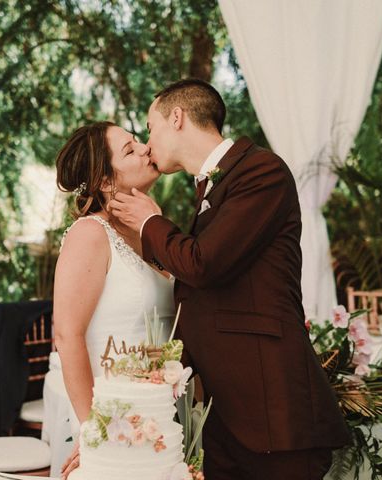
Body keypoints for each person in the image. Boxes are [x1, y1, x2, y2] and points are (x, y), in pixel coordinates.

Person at [109, 78, 351, 479]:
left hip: (275, 413)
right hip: (228, 414)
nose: (148, 144)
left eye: (150, 128)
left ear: (177, 116)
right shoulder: (211, 187)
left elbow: (204, 264)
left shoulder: (262, 171)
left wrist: (151, 221)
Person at [50, 121, 175, 479]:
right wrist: (95, 431)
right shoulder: (90, 234)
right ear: (105, 181)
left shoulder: (150, 231)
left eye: (138, 142)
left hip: (162, 421)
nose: (145, 149)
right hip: (115, 426)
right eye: (130, 149)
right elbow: (67, 335)